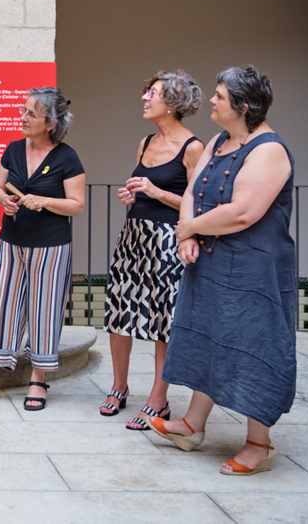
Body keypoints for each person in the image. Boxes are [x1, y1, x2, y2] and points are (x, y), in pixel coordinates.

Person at [150, 66, 295, 476]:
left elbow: (243, 212)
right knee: (207, 338)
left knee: (254, 348)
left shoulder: (269, 149)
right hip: (211, 259)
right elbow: (192, 191)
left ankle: (259, 444)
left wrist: (190, 228)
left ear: (243, 107)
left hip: (255, 269)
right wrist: (188, 234)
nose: (211, 102)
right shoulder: (217, 141)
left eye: (219, 97)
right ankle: (192, 426)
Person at [0, 87, 85, 409]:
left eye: (31, 114)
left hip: (51, 247)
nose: (23, 117)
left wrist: (45, 201)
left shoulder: (67, 157)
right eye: (23, 110)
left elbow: (77, 205)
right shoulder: (13, 149)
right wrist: (5, 201)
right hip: (11, 242)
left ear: (50, 123)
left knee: (44, 310)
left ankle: (38, 379)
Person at [100, 71, 204, 429]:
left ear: (172, 103)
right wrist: (131, 196)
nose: (144, 98)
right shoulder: (145, 142)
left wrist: (157, 193)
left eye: (153, 93)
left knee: (162, 320)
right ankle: (119, 387)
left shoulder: (193, 147)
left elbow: (198, 204)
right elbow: (142, 190)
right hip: (133, 237)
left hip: (168, 241)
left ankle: (159, 401)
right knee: (119, 313)